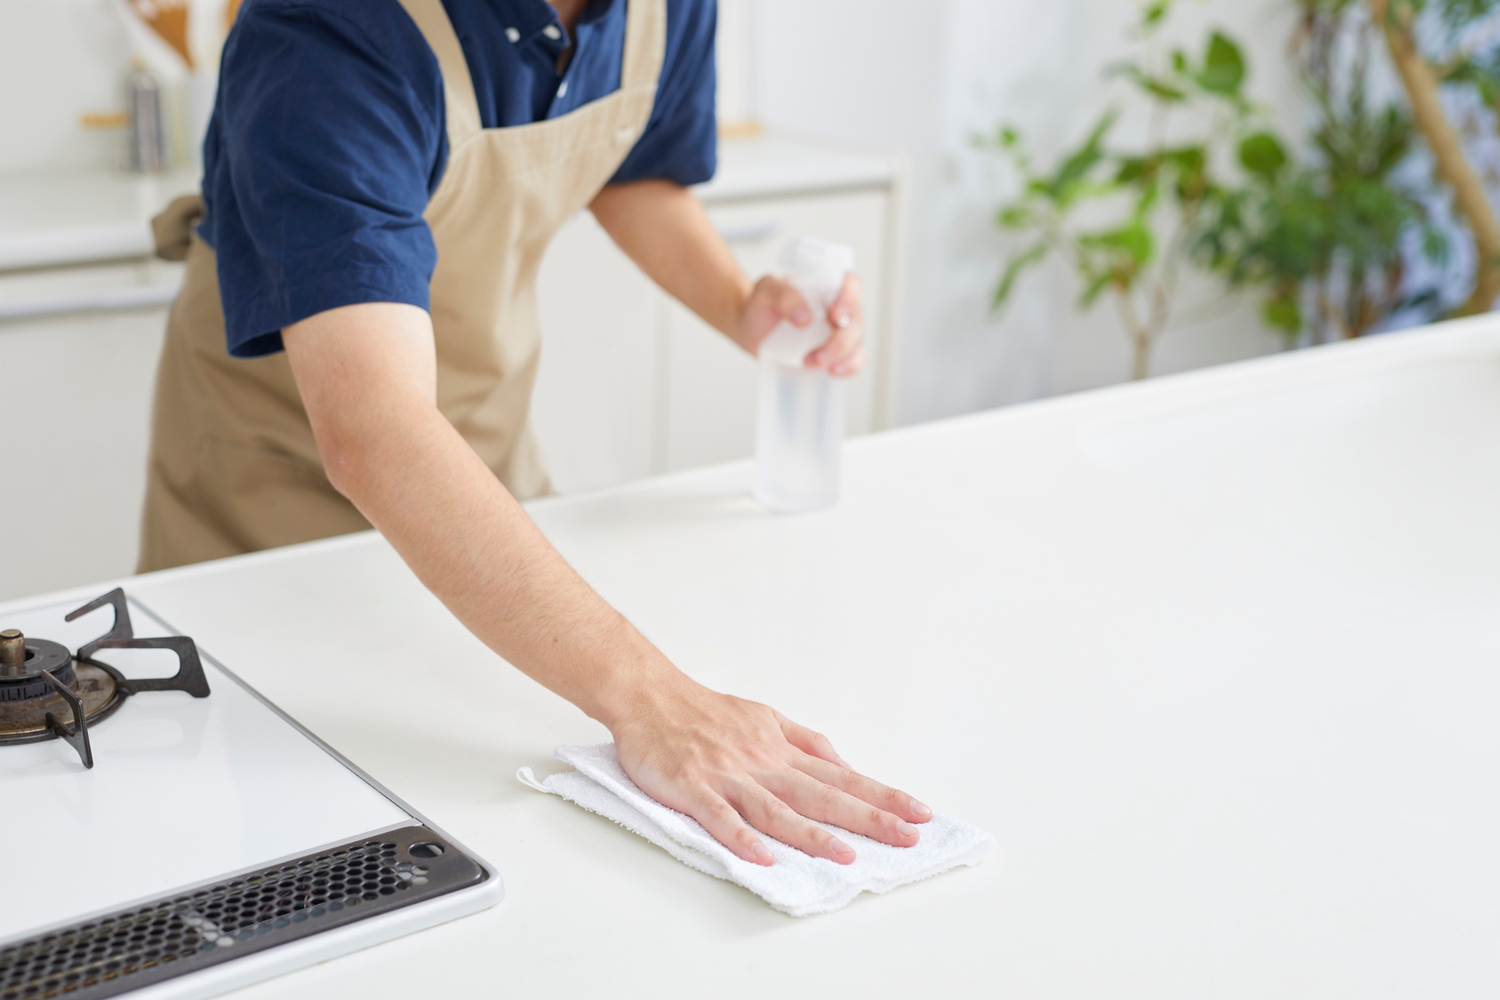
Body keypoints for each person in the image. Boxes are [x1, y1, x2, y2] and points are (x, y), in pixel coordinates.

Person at [138, 0, 930, 865]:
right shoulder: (328, 32)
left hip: (478, 456)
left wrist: (739, 304)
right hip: (273, 494)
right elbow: (376, 430)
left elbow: (634, 170)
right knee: (282, 832)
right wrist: (652, 700)